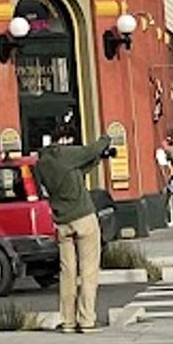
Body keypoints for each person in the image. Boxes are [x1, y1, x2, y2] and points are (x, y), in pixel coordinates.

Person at [34, 128, 113, 333]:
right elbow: (90, 150)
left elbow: (74, 172)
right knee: (88, 271)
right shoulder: (64, 154)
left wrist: (95, 161)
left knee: (67, 273)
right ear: (61, 141)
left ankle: (68, 320)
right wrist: (105, 139)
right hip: (83, 217)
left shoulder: (42, 165)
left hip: (62, 222)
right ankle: (86, 319)